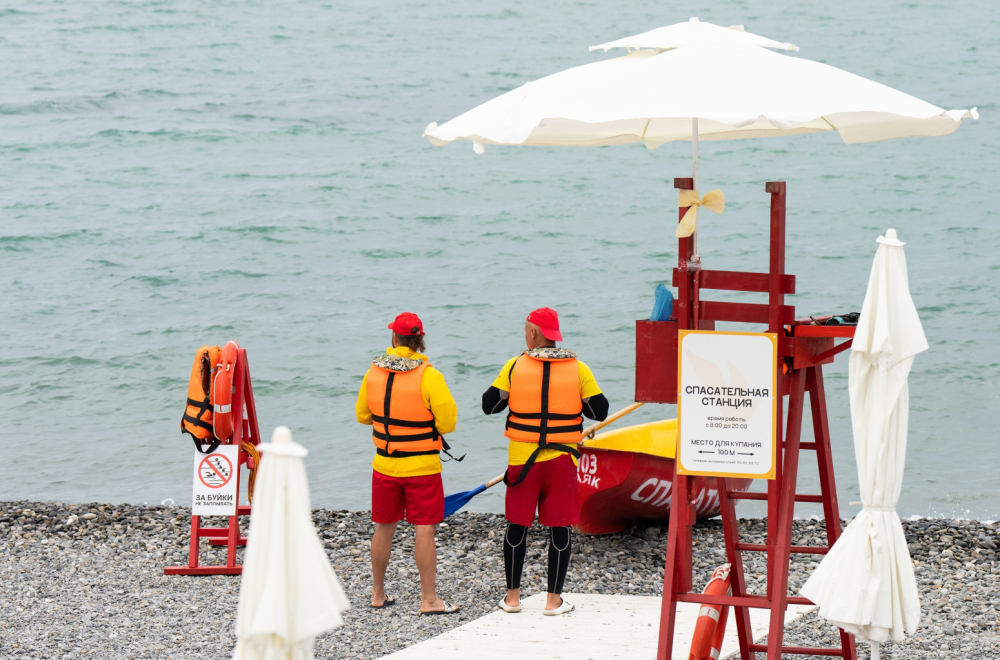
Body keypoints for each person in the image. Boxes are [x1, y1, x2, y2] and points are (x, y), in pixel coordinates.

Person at [482, 307, 609, 615]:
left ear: (534, 334)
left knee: (517, 526)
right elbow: (599, 411)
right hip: (562, 459)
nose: (525, 334)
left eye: (526, 329)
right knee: (560, 528)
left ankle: (512, 599)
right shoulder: (579, 368)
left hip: (523, 460)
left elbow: (489, 405)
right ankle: (553, 601)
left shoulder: (514, 366)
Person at [356, 312, 460, 615]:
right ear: (420, 341)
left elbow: (363, 416)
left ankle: (378, 593)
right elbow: (448, 423)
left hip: (385, 464)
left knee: (384, 527)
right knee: (424, 529)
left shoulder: (373, 372)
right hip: (422, 468)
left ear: (394, 338)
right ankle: (429, 600)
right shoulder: (430, 375)